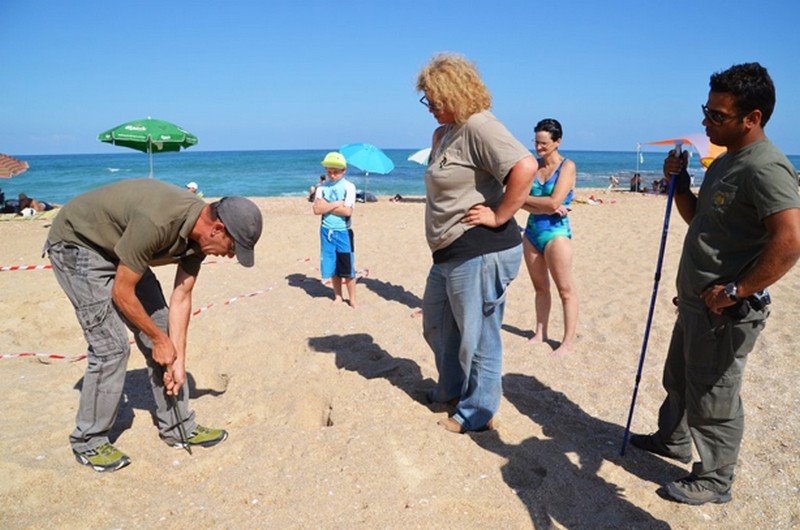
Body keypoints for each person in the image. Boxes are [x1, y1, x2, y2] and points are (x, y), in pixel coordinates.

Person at [629, 63, 800, 505]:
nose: (706, 122)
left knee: (714, 394)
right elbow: (700, 221)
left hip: (724, 310)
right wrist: (680, 183)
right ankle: (673, 440)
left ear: (753, 118)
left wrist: (736, 290)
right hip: (696, 301)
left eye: (718, 116)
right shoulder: (725, 160)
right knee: (680, 378)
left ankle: (715, 479)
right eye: (706, 111)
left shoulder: (766, 167)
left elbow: (791, 240)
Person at [45, 179, 263, 472]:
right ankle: (89, 441)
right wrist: (159, 340)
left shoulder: (198, 240)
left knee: (161, 331)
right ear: (218, 229)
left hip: (121, 247)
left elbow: (182, 296)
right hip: (78, 243)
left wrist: (178, 358)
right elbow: (122, 292)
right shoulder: (159, 221)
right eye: (232, 248)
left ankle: (178, 426)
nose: (230, 256)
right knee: (111, 348)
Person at [416, 53, 536, 433]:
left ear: (455, 92)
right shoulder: (445, 132)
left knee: (479, 338)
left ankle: (477, 411)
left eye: (435, 99)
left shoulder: (479, 125)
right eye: (427, 100)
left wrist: (499, 214)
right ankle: (451, 391)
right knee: (437, 326)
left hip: (482, 249)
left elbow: (525, 166)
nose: (431, 106)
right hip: (447, 251)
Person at [520, 119, 578, 356]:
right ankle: (540, 332)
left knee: (565, 289)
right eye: (536, 142)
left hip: (557, 234)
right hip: (532, 231)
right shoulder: (532, 166)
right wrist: (541, 205)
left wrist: (536, 202)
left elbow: (555, 202)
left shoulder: (567, 166)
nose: (539, 147)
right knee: (540, 287)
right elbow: (516, 199)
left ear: (557, 142)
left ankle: (567, 342)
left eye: (544, 143)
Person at [312, 152, 357, 307]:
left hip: (343, 231)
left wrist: (326, 206)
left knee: (348, 267)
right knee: (333, 267)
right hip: (326, 231)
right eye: (329, 172)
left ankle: (352, 299)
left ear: (343, 170)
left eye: (335, 172)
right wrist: (336, 203)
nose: (332, 175)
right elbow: (317, 210)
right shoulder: (322, 188)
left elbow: (348, 211)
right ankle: (338, 296)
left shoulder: (349, 187)